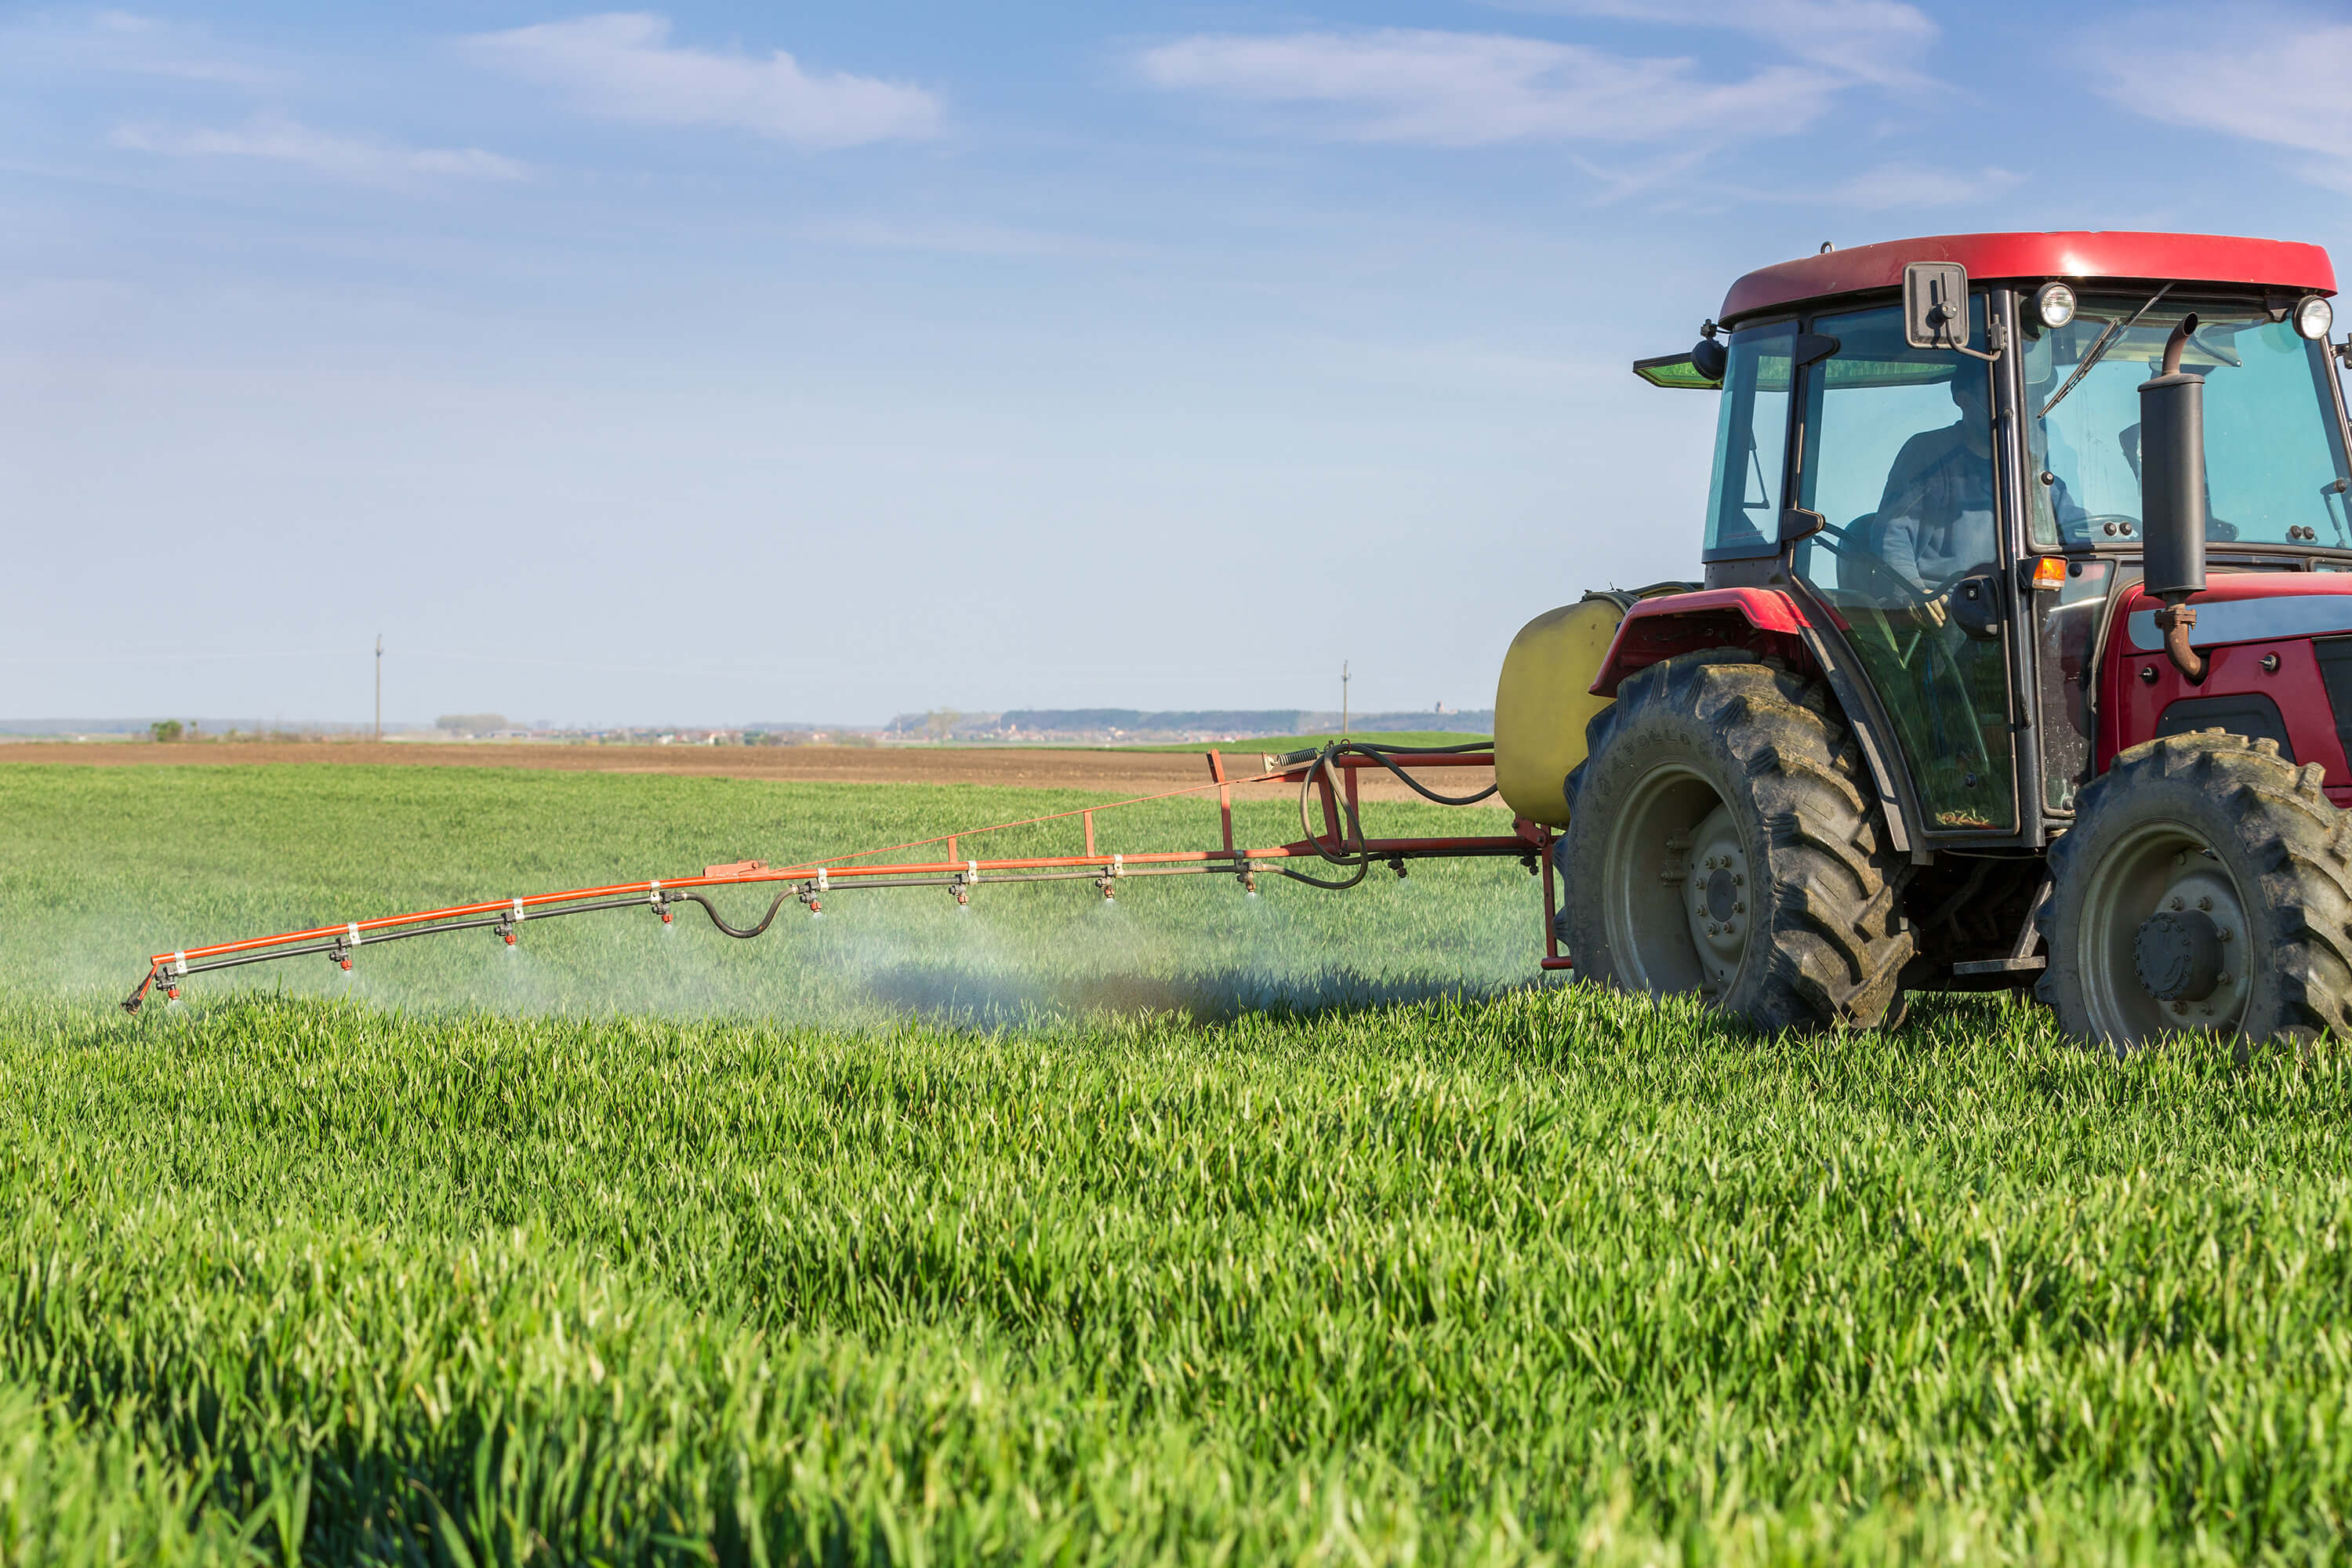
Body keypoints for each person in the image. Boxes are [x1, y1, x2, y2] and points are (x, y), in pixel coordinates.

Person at [1875, 369, 1997, 616]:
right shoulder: (1928, 454)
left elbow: (2071, 526)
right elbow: (1893, 531)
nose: (2007, 407)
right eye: (1995, 395)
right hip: (1947, 605)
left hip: (2013, 602)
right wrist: (1913, 591)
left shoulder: (2024, 465)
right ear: (1964, 400)